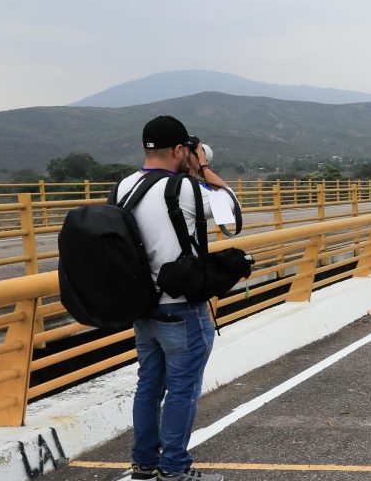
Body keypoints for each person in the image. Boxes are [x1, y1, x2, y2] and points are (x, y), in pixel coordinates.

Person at [117, 115, 237, 481]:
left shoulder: (124, 186)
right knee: (182, 391)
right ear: (180, 150)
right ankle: (174, 469)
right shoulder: (185, 189)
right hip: (182, 309)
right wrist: (203, 168)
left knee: (148, 387)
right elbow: (231, 210)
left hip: (143, 307)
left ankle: (143, 464)